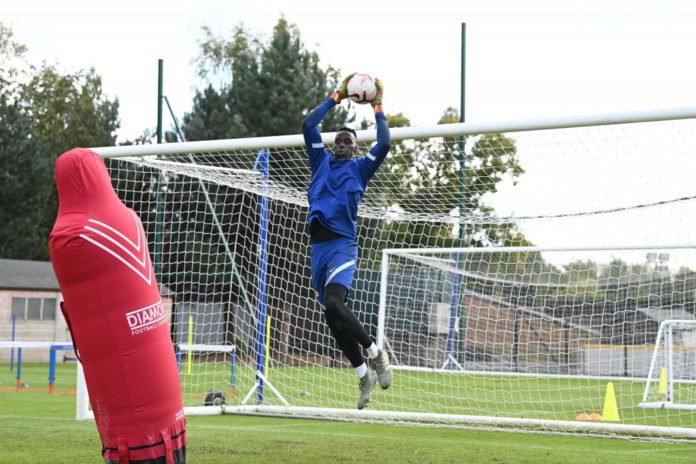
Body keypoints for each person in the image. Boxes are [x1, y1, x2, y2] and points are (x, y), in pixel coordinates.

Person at [301, 74, 393, 409]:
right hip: (318, 249)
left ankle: (375, 353)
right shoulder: (320, 161)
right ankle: (362, 375)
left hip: (342, 244)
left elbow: (383, 144)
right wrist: (336, 96)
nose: (341, 143)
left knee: (337, 304)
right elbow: (308, 124)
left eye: (347, 141)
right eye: (338, 139)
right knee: (330, 314)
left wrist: (379, 108)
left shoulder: (359, 170)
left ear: (354, 148)